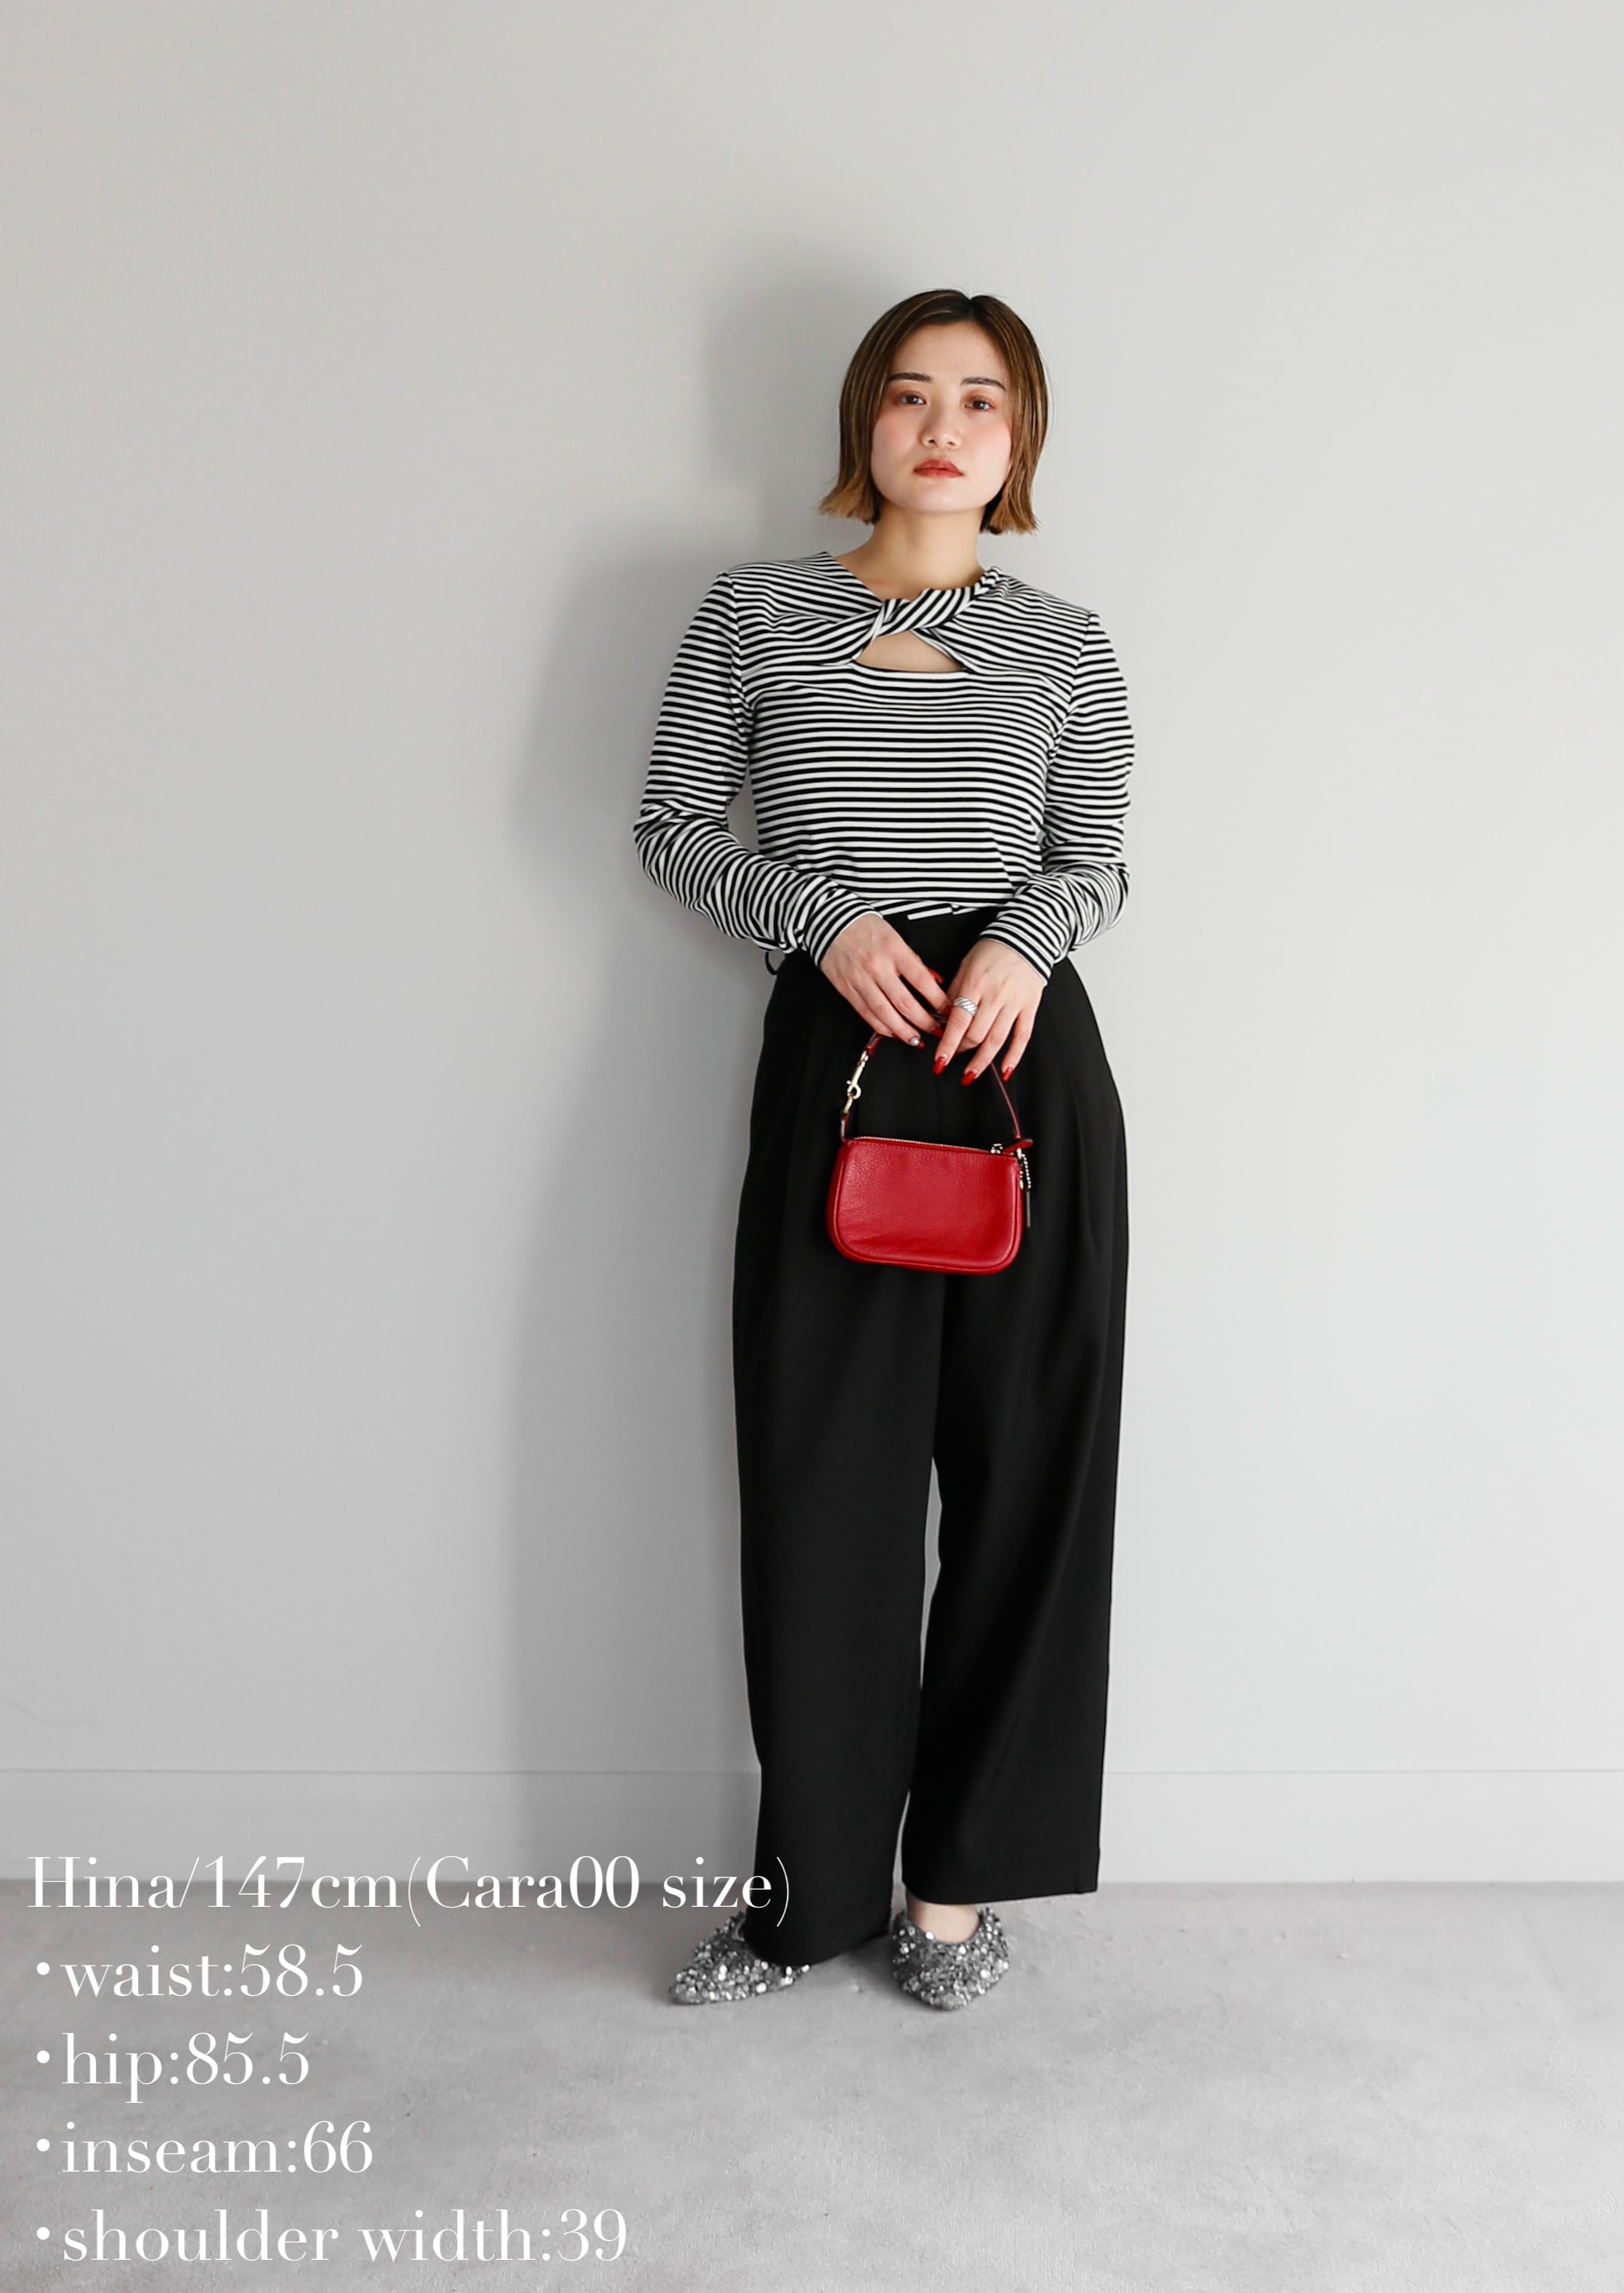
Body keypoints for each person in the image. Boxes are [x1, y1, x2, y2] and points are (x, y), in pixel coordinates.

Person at [633, 287, 1134, 2011]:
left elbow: (1097, 858)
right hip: (839, 1060)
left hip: (1018, 1071)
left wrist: (1025, 943)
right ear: (864, 419)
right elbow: (673, 826)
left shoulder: (1064, 643)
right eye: (910, 394)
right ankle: (809, 1897)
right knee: (822, 1480)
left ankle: (954, 1891)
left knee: (1028, 1479)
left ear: (1020, 438)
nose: (942, 427)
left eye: (981, 400)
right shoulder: (754, 614)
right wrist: (822, 918)